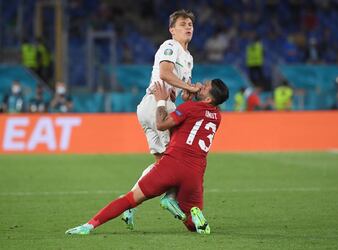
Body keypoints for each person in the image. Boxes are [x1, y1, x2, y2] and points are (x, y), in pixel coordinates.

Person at [65, 78, 229, 235]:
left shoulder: (190, 108)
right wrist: (188, 100)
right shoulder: (217, 117)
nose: (201, 85)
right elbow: (191, 123)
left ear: (208, 98)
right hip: (195, 173)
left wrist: (160, 101)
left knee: (130, 199)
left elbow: (162, 124)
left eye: (205, 86)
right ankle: (191, 213)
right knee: (192, 225)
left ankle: (89, 226)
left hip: (171, 165)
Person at [123, 9, 200, 229]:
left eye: (190, 25)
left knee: (161, 164)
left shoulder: (189, 58)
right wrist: (186, 87)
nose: (188, 27)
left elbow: (179, 89)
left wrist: (189, 92)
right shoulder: (170, 46)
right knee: (177, 162)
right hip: (159, 105)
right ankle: (169, 198)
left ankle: (129, 203)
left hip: (153, 106)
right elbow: (165, 74)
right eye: (183, 24)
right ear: (172, 30)